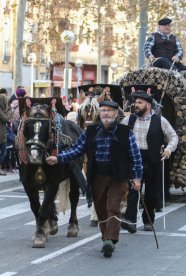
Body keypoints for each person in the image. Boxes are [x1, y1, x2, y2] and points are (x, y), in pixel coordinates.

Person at [45, 101, 143, 258]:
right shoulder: (90, 131)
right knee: (101, 209)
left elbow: (136, 157)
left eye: (109, 111)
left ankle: (111, 239)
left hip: (118, 177)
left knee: (113, 206)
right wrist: (58, 158)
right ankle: (106, 238)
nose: (105, 113)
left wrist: (137, 177)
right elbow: (77, 150)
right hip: (97, 176)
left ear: (116, 114)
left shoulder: (125, 132)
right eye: (103, 110)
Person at [120, 88, 178, 233]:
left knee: (151, 192)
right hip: (134, 159)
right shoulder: (129, 119)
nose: (136, 105)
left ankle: (148, 219)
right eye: (135, 102)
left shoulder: (160, 120)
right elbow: (118, 134)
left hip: (152, 160)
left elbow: (173, 136)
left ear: (148, 105)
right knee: (133, 189)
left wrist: (168, 149)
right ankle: (130, 220)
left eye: (140, 102)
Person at [144, 17, 186, 102]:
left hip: (172, 63)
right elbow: (147, 48)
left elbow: (180, 51)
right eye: (165, 25)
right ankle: (180, 75)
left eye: (169, 25)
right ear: (159, 26)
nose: (167, 27)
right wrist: (150, 56)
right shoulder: (153, 36)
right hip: (157, 62)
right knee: (163, 60)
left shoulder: (174, 38)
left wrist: (177, 57)